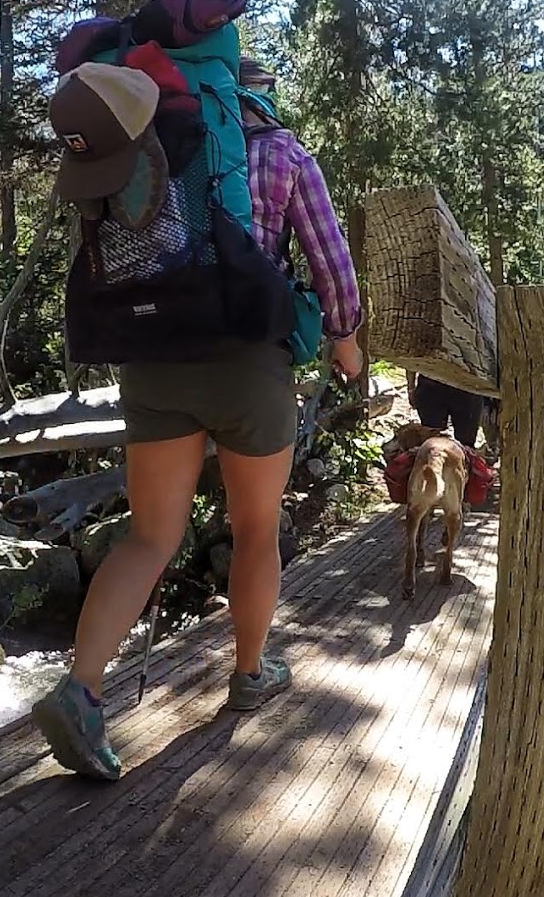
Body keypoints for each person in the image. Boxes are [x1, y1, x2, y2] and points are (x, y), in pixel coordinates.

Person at [31, 56, 363, 781]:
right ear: (252, 92)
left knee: (150, 537)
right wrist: (348, 343)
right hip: (248, 364)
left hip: (151, 361)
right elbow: (330, 258)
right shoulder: (280, 152)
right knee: (254, 531)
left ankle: (80, 690)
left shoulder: (144, 145)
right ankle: (250, 674)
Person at [406, 370, 485, 450]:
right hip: (431, 383)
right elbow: (409, 359)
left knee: (466, 444)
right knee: (431, 440)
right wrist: (411, 387)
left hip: (468, 386)